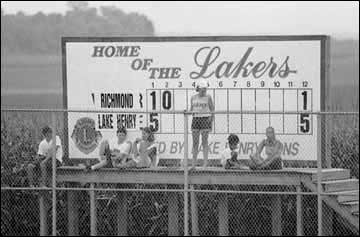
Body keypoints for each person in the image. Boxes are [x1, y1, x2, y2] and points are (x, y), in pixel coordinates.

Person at [190, 80, 214, 169]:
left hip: (205, 118)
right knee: (195, 143)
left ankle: (205, 164)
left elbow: (212, 110)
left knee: (204, 142)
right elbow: (191, 110)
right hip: (196, 118)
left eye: (205, 89)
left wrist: (211, 122)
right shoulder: (193, 97)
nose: (204, 91)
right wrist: (187, 112)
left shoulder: (208, 97)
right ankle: (193, 164)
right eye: (202, 89)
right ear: (198, 89)